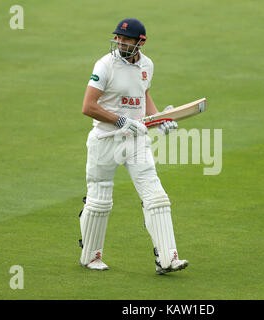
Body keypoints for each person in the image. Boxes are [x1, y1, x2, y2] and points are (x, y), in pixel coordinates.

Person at [79, 18, 188, 275]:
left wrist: (159, 119)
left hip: (136, 139)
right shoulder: (105, 65)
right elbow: (88, 107)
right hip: (105, 139)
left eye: (126, 39)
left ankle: (168, 258)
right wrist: (120, 121)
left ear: (141, 42)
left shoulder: (147, 65)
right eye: (118, 37)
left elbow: (143, 94)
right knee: (100, 200)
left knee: (156, 196)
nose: (119, 42)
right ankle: (91, 256)